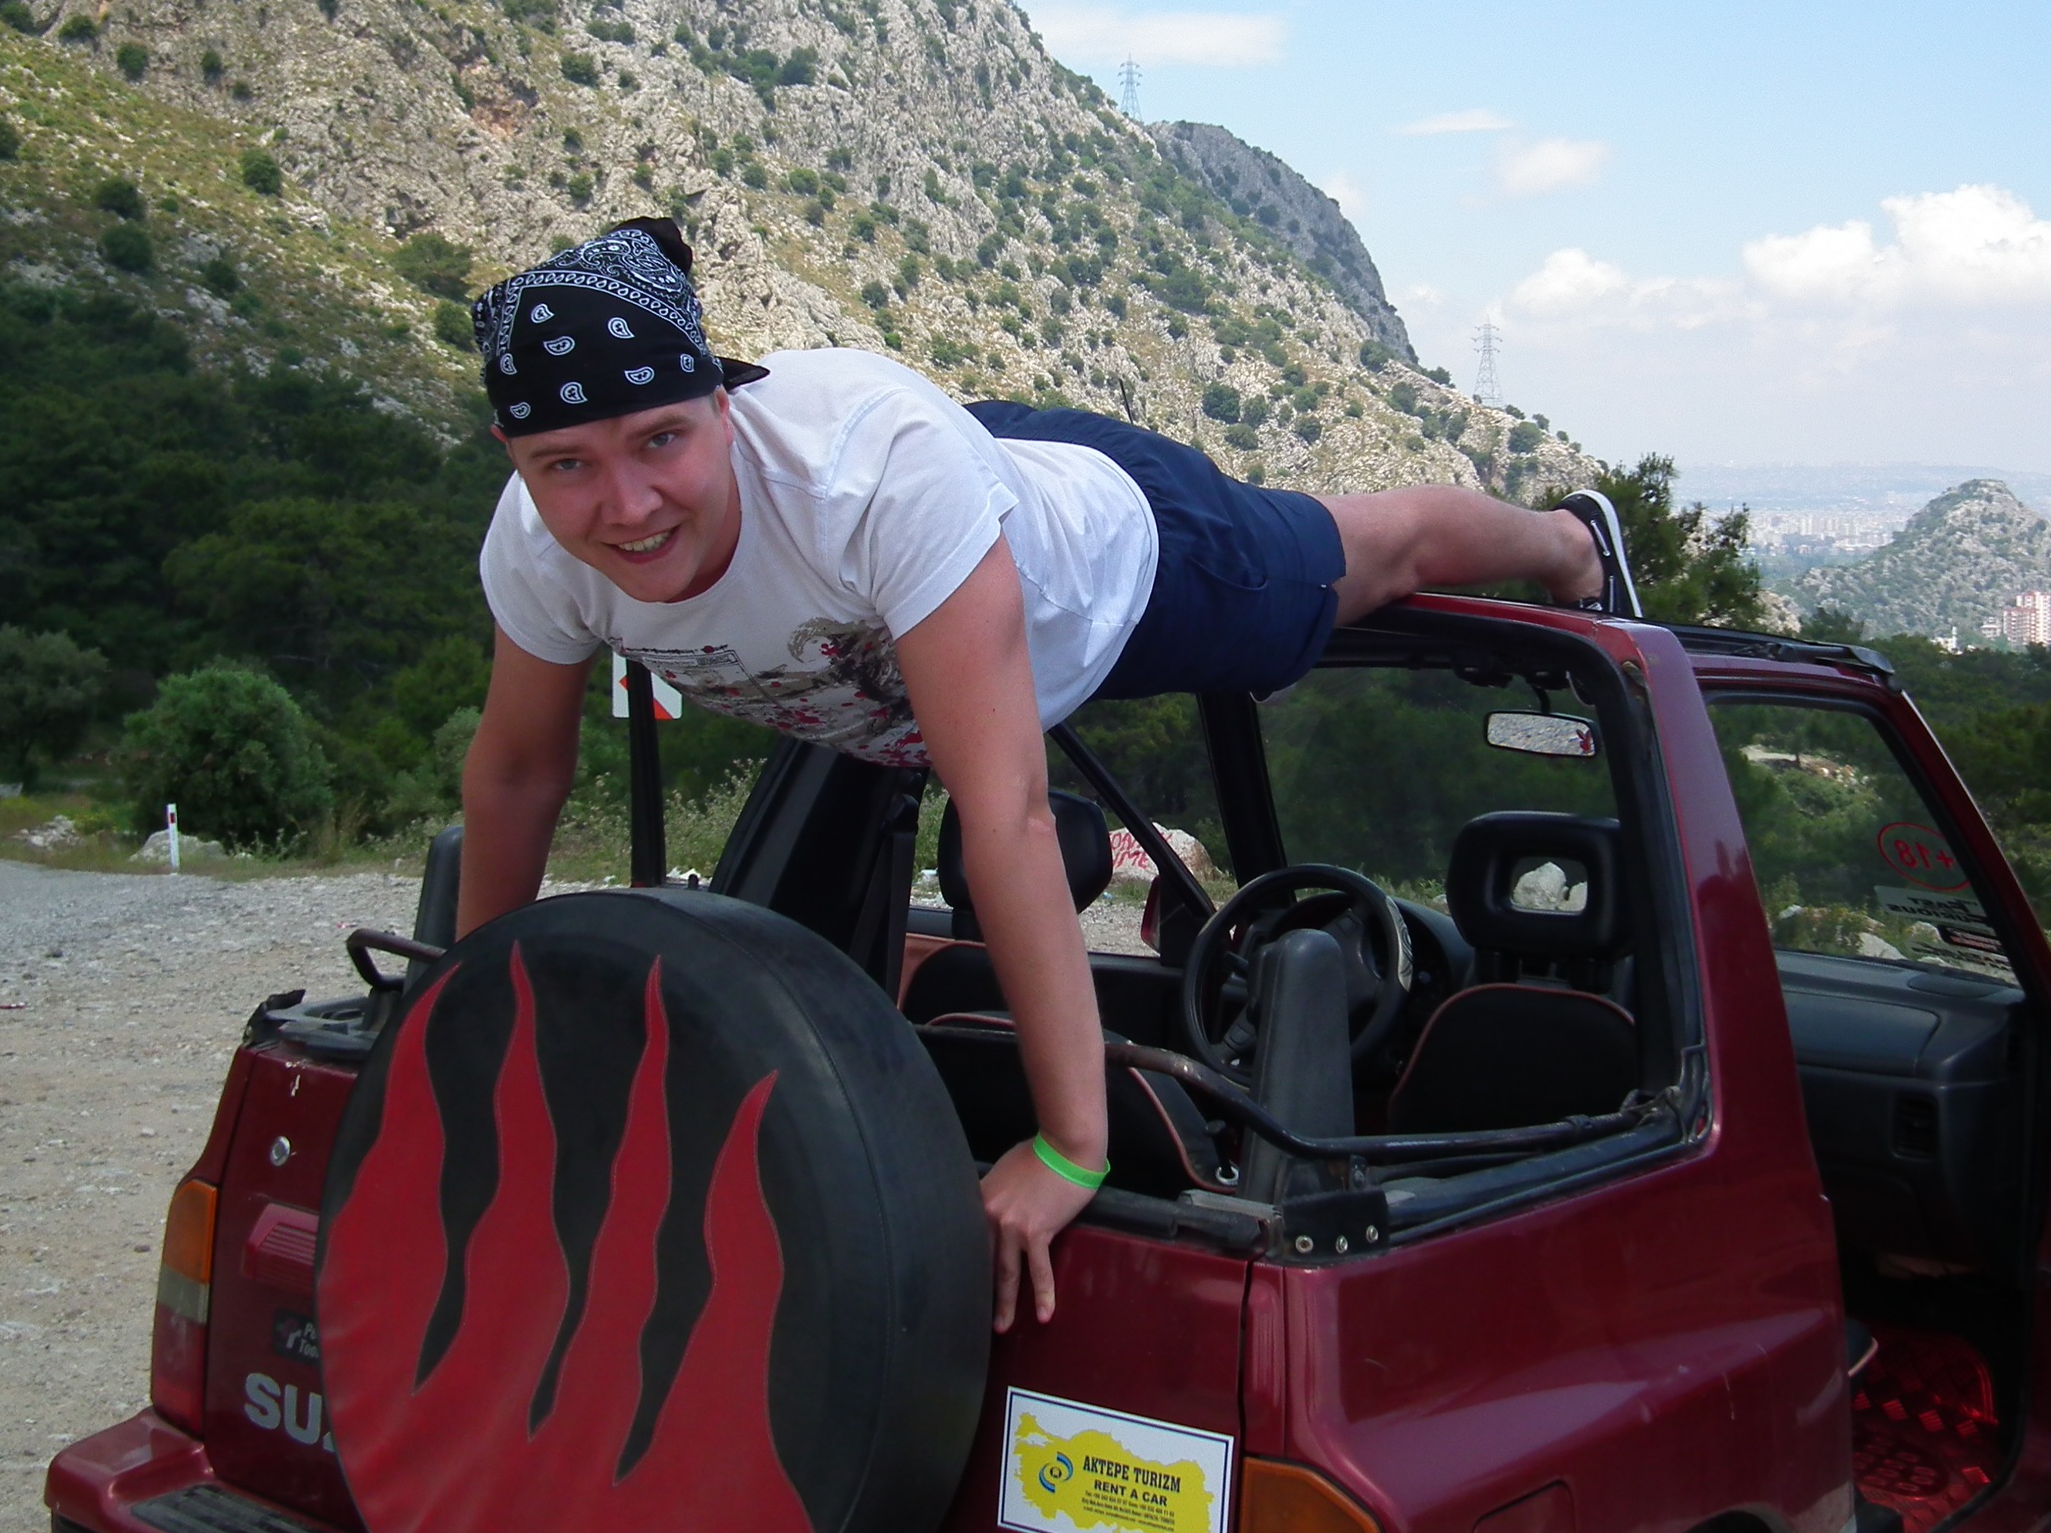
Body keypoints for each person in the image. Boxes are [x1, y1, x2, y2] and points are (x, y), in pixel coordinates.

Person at [456, 218, 1639, 1332]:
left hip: (1127, 565)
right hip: (970, 470)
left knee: (1370, 558)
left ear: (727, 402)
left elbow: (1009, 816)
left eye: (661, 439)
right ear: (515, 458)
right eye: (567, 464)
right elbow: (515, 777)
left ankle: (1569, 539)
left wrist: (1073, 1146)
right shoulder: (541, 547)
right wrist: (463, 1034)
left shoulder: (864, 483)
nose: (626, 506)